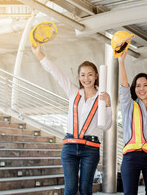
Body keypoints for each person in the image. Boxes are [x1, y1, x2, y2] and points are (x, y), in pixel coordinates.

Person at [32, 44, 112, 195]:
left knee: (85, 190)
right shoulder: (73, 92)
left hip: (91, 147)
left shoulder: (102, 97)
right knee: (70, 189)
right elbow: (56, 73)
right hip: (70, 146)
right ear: (78, 77)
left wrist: (108, 105)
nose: (86, 78)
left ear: (96, 76)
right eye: (82, 75)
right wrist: (39, 54)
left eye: (90, 74)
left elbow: (107, 126)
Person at [118, 50, 147, 195]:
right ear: (134, 88)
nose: (141, 89)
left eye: (145, 85)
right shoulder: (129, 105)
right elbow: (124, 86)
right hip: (131, 157)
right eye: (138, 85)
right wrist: (121, 62)